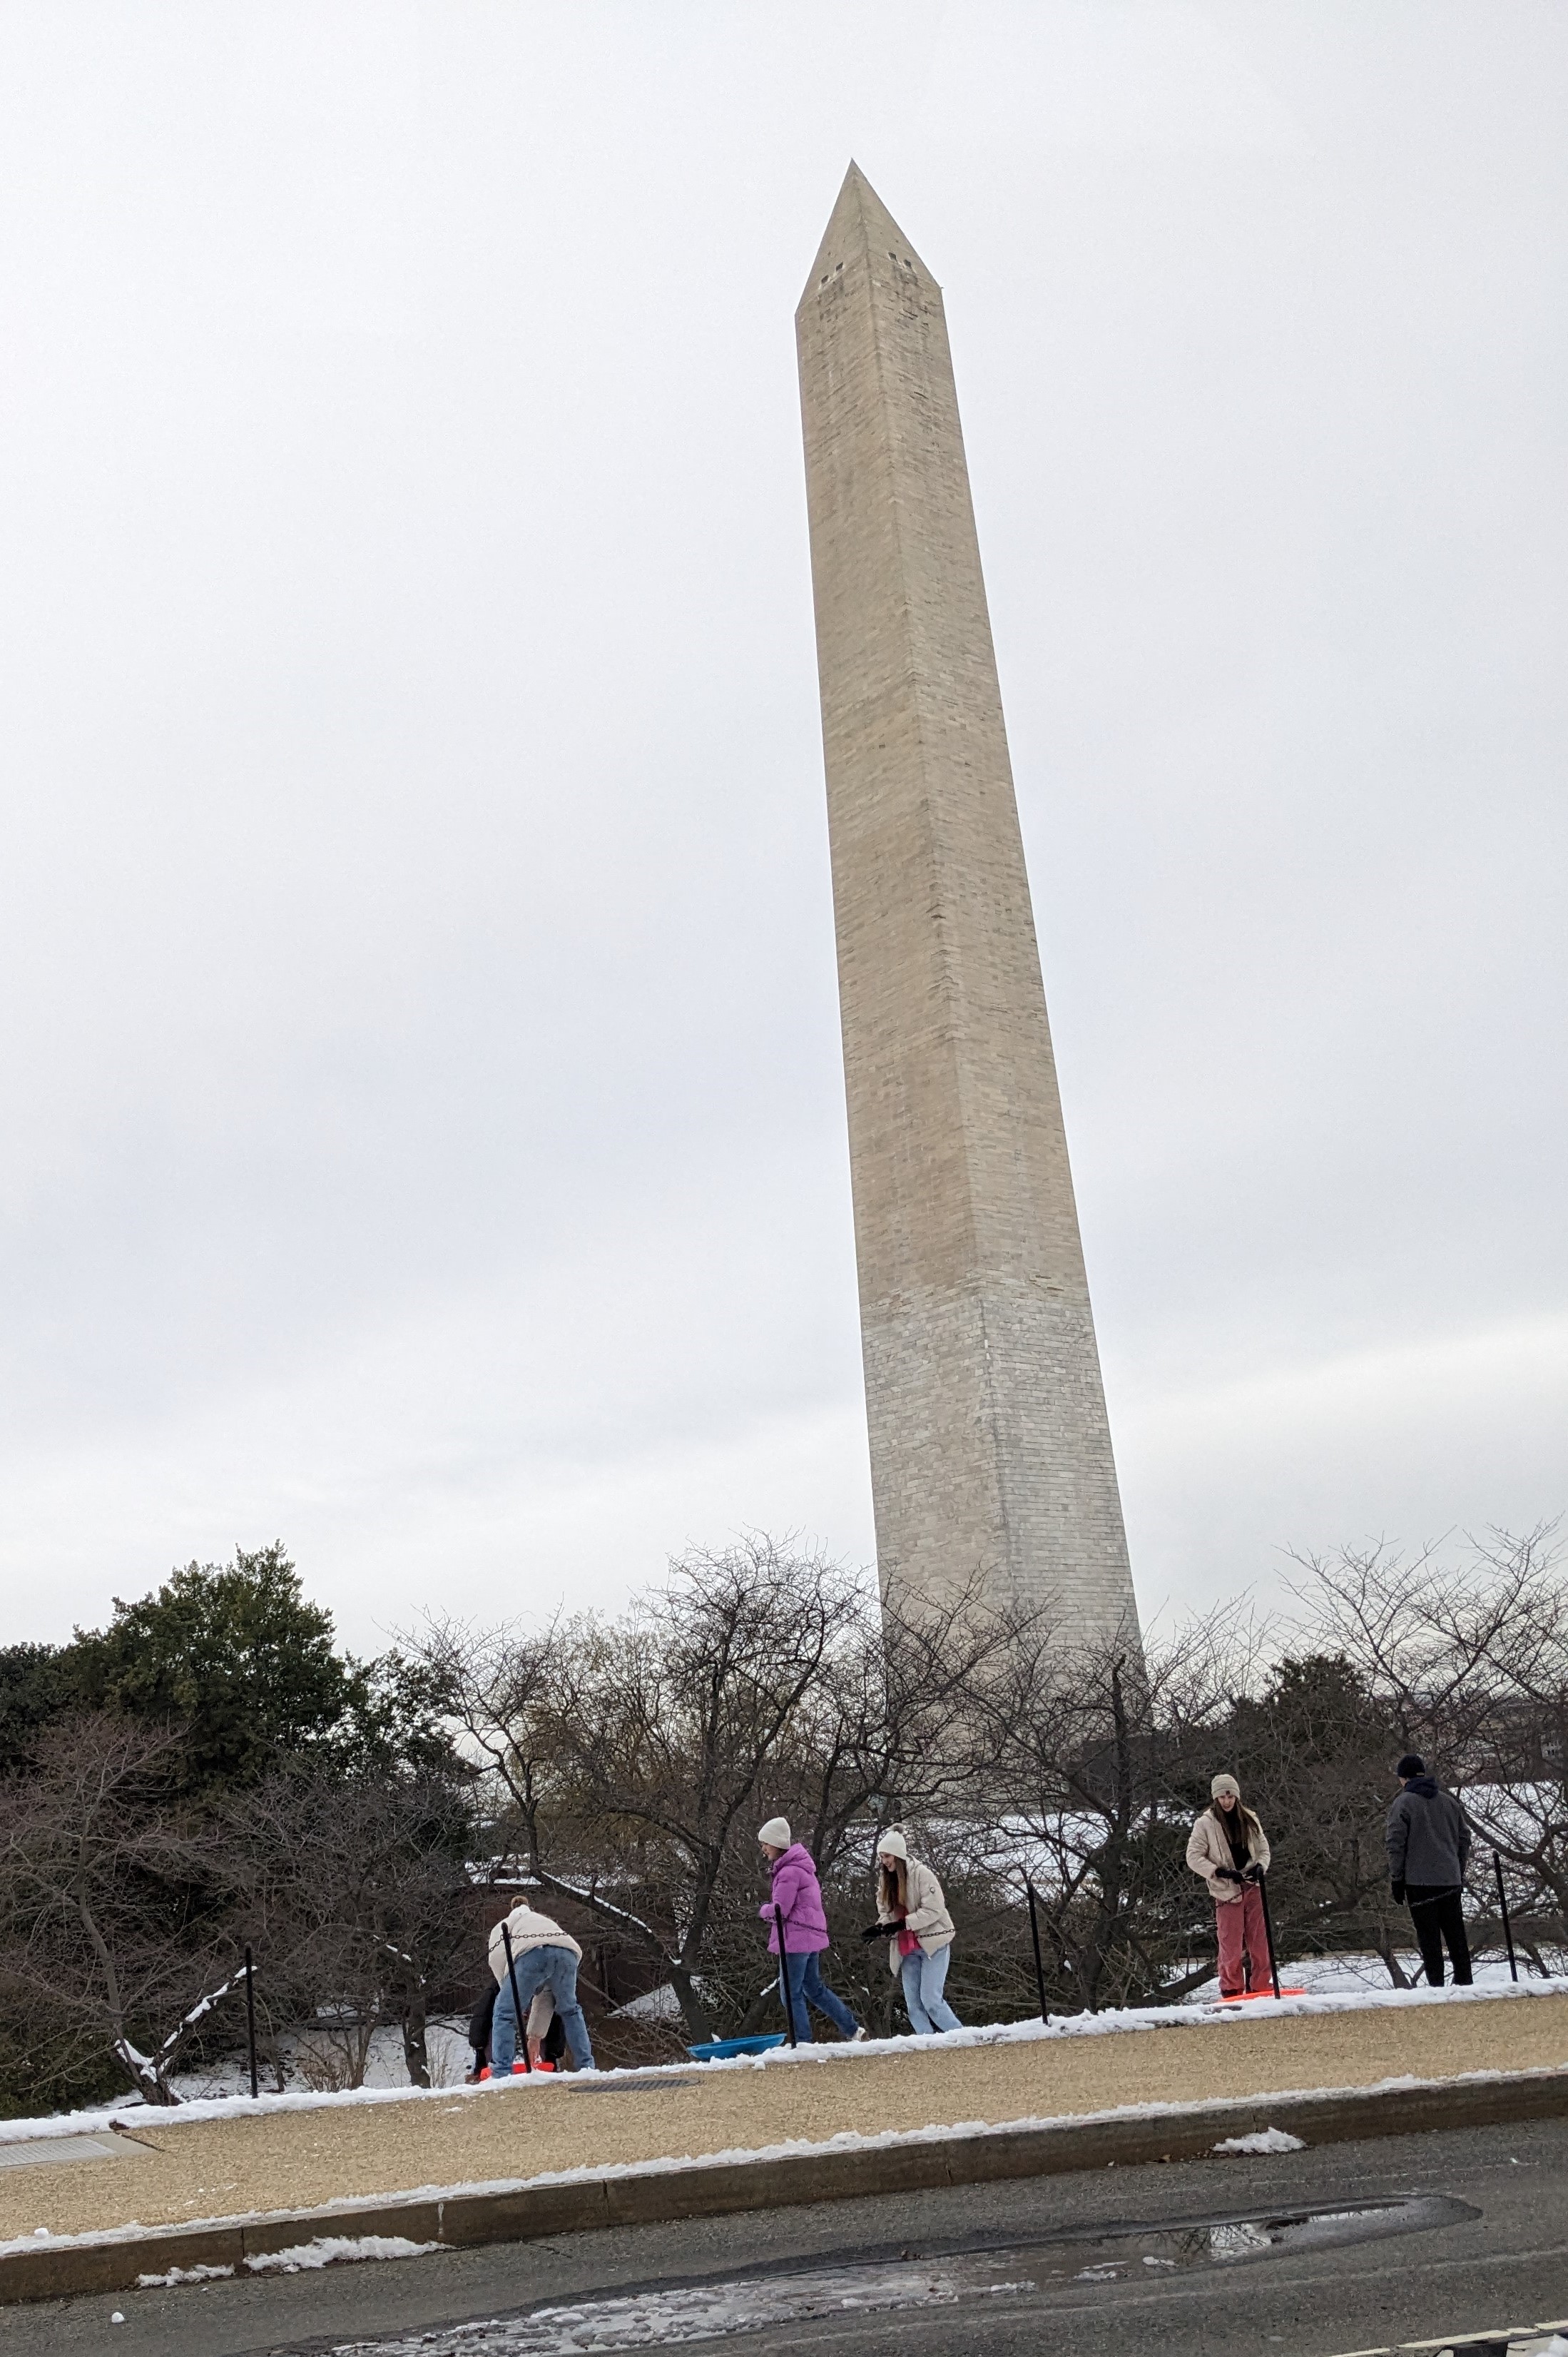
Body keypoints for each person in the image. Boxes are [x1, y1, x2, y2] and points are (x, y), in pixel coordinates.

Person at [758, 1817, 864, 2042]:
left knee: (790, 1994)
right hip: (810, 1937)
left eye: (765, 1843)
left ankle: (802, 2041)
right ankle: (852, 2029)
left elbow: (780, 1911)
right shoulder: (803, 1868)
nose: (763, 1848)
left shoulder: (788, 1873)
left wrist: (762, 1910)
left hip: (795, 1940)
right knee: (814, 1988)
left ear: (776, 1843)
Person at [1385, 1755, 1472, 1987]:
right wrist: (1458, 1869)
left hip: (1419, 1883)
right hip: (1450, 1880)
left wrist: (1397, 1878)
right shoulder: (1449, 1802)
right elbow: (1464, 1839)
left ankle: (1436, 1989)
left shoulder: (1403, 1804)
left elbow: (1395, 1844)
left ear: (1403, 1778)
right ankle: (1466, 1986)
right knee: (1457, 1938)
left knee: (1429, 1940)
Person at [864, 1829, 962, 2035]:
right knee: (914, 2006)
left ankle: (963, 2037)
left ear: (898, 1855)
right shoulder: (886, 1881)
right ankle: (927, 2044)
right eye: (881, 1857)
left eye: (887, 1856)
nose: (884, 1861)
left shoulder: (922, 1875)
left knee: (931, 2001)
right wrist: (880, 1928)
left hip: (932, 1944)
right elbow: (886, 1912)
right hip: (907, 1949)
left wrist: (902, 1924)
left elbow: (934, 1909)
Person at [1186, 1773, 1272, 1998]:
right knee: (1230, 1944)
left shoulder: (1250, 1819)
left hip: (1253, 1886)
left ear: (1236, 1796)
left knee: (1260, 1942)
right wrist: (1219, 1872)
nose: (1227, 1800)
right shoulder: (1205, 1823)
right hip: (1226, 1890)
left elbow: (1263, 1850)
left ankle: (1261, 1984)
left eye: (1230, 1795)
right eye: (1222, 1796)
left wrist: (1261, 1867)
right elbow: (1193, 1857)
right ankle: (1231, 1988)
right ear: (1216, 1798)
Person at [487, 1900, 596, 2072]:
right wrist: (535, 2037)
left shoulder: (503, 1926)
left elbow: (497, 1960)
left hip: (531, 1954)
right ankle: (587, 2066)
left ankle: (501, 2072)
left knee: (504, 2013)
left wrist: (511, 1995)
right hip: (567, 1953)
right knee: (570, 2010)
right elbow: (546, 1997)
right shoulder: (544, 1920)